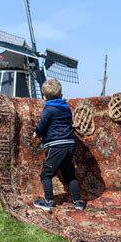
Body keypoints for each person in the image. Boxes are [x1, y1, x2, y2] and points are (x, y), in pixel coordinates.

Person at [32, 78, 85, 211]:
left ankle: (49, 202)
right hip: (69, 145)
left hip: (56, 146)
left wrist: (36, 133)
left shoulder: (48, 110)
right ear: (61, 95)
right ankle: (78, 202)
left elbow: (42, 126)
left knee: (46, 174)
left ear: (44, 97)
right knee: (69, 174)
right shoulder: (67, 109)